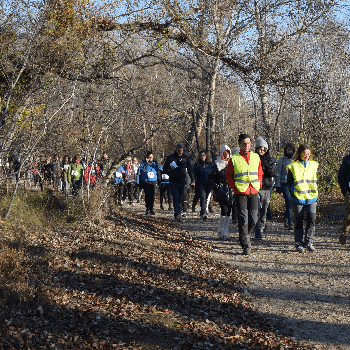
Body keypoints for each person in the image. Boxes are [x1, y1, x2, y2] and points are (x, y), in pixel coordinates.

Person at [226, 134, 263, 255]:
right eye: (243, 143)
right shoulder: (234, 158)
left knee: (254, 218)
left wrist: (259, 184)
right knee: (243, 219)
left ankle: (244, 234)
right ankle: (246, 244)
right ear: (239, 144)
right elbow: (229, 175)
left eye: (248, 143)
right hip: (240, 192)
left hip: (253, 191)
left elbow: (260, 173)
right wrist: (234, 187)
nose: (246, 145)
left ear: (250, 144)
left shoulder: (256, 157)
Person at [286, 144, 318, 252]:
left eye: (308, 154)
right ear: (299, 154)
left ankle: (309, 242)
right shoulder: (293, 166)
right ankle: (298, 243)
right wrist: (293, 193)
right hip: (298, 198)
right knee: (299, 221)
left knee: (311, 220)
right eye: (305, 154)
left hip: (311, 197)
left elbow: (315, 179)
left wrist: (316, 187)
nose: (307, 156)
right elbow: (289, 182)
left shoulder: (314, 165)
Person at [163, 143, 195, 222]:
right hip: (173, 181)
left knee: (180, 197)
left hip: (182, 180)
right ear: (176, 150)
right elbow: (165, 169)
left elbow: (190, 170)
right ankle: (177, 213)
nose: (180, 152)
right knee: (176, 197)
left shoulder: (185, 158)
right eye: (178, 150)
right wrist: (170, 173)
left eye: (181, 150)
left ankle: (178, 212)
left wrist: (193, 180)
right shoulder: (170, 158)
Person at [209, 145, 234, 239]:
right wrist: (217, 187)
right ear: (221, 153)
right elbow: (210, 178)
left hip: (231, 192)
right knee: (224, 211)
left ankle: (225, 232)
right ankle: (220, 231)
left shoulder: (232, 164)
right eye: (224, 153)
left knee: (229, 212)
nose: (226, 156)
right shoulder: (217, 164)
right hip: (222, 192)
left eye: (227, 153)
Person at [254, 137, 277, 240]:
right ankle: (257, 230)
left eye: (262, 148)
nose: (260, 150)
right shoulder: (253, 159)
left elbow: (272, 173)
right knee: (257, 209)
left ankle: (262, 228)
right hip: (256, 187)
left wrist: (264, 162)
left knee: (264, 209)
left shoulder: (271, 159)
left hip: (267, 187)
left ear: (266, 149)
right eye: (258, 148)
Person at [275, 143, 295, 230]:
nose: (290, 152)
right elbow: (278, 173)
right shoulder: (282, 160)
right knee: (288, 201)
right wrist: (277, 186)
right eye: (288, 150)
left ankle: (286, 218)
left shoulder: (296, 159)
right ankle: (290, 222)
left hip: (293, 184)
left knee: (291, 202)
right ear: (285, 151)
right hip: (284, 183)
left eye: (291, 150)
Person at [193, 151, 213, 221]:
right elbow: (194, 174)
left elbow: (212, 173)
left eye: (203, 155)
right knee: (203, 197)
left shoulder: (209, 164)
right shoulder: (197, 164)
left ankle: (202, 212)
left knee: (207, 197)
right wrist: (195, 181)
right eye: (201, 155)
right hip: (200, 184)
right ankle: (204, 213)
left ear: (206, 156)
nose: (202, 157)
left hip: (208, 184)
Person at [338, 153, 350, 245]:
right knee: (349, 216)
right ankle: (343, 234)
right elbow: (341, 175)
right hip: (348, 192)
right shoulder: (347, 159)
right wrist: (344, 190)